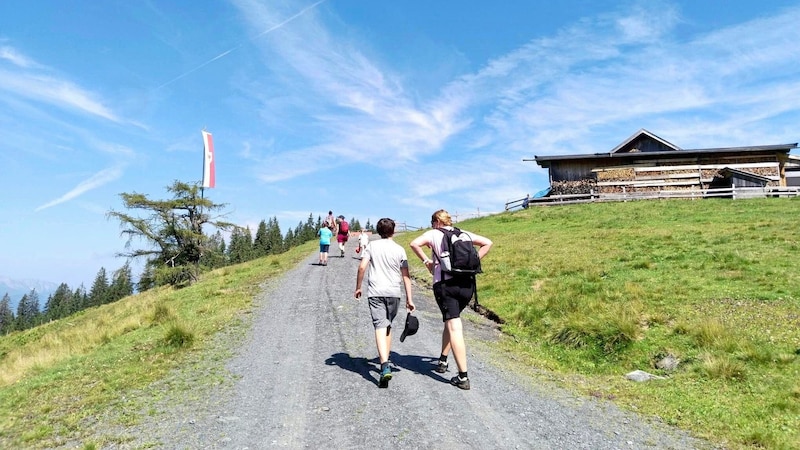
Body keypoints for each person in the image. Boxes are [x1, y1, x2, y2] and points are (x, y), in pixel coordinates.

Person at [409, 209, 492, 390]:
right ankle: (443, 360)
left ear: (436, 222)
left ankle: (463, 377)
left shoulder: (433, 233)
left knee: (454, 326)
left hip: (446, 285)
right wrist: (476, 260)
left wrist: (426, 262)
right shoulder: (463, 233)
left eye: (432, 223)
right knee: (450, 320)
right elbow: (487, 242)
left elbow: (414, 243)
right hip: (468, 286)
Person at [354, 218, 415, 388]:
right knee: (387, 326)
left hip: (376, 293)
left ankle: (384, 365)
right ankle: (385, 360)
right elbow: (405, 275)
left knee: (380, 326)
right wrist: (409, 299)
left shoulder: (372, 246)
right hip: (394, 293)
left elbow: (361, 267)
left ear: (378, 231)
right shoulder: (400, 250)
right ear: (393, 231)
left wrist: (358, 287)